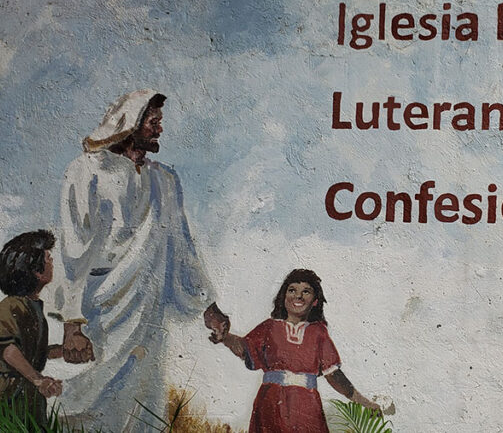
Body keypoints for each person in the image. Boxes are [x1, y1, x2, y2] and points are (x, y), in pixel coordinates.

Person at [48, 89, 222, 431]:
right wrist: (72, 323)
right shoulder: (86, 171)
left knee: (143, 396)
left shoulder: (165, 180)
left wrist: (208, 306)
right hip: (101, 306)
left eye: (160, 122)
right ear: (130, 122)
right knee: (91, 390)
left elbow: (182, 247)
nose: (159, 130)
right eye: (153, 122)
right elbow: (74, 246)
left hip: (148, 306)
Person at [212, 269, 391, 432]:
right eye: (292, 290)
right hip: (270, 404)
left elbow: (334, 375)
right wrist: (225, 337)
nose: (298, 296)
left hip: (307, 407)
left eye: (306, 291)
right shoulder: (269, 327)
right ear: (284, 297)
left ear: (314, 301)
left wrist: (365, 402)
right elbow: (245, 349)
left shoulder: (318, 332)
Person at [0, 230, 64, 426]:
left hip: (28, 390)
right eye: (48, 258)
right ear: (35, 269)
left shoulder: (33, 306)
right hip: (9, 391)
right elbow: (8, 350)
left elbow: (34, 352)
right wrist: (38, 380)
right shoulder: (12, 305)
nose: (52, 262)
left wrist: (64, 352)